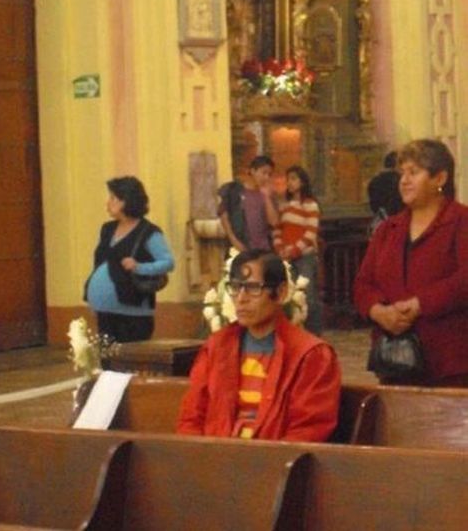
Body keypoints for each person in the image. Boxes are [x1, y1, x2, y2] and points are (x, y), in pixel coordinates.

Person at [177, 249, 341, 441]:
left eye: (253, 288)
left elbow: (308, 429)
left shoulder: (310, 354)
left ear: (281, 293)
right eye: (235, 287)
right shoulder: (217, 347)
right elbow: (191, 417)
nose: (241, 298)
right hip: (217, 454)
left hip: (274, 456)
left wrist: (261, 459)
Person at [354, 139, 468, 386]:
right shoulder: (388, 229)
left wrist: (420, 304)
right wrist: (379, 311)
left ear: (440, 178)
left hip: (448, 361)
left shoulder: (461, 221)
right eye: (402, 173)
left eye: (413, 172)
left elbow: (464, 280)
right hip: (394, 360)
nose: (404, 181)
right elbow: (363, 283)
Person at [85, 176, 174, 344]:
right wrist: (93, 296)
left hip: (133, 314)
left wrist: (139, 267)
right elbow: (100, 263)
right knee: (107, 358)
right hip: (105, 312)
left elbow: (168, 262)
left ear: (127, 201)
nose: (108, 203)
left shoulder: (148, 232)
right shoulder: (107, 229)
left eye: (113, 198)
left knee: (130, 357)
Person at [273, 165, 322, 335]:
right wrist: (280, 248)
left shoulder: (309, 204)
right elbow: (277, 229)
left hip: (304, 257)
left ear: (302, 182)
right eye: (288, 179)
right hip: (286, 258)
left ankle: (313, 334)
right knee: (290, 297)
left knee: (308, 295)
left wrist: (294, 250)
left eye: (293, 179)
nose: (290, 182)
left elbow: (310, 232)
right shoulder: (284, 206)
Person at [217, 155, 279, 252]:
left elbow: (274, 222)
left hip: (264, 248)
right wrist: (234, 240)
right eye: (264, 173)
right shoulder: (235, 191)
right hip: (241, 245)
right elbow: (224, 216)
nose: (266, 177)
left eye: (269, 174)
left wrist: (266, 197)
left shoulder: (268, 195)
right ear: (253, 171)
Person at [367, 150, 404, 235]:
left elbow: (373, 205)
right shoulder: (401, 180)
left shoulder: (374, 181)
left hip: (381, 222)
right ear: (397, 164)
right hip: (399, 223)